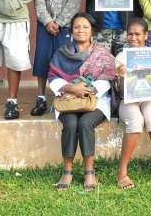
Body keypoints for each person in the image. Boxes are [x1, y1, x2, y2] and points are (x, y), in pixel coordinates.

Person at [48, 13, 116, 191]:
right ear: (71, 30)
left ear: (92, 30)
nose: (81, 30)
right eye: (77, 27)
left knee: (85, 123)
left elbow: (107, 79)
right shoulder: (62, 53)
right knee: (70, 123)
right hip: (68, 99)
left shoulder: (101, 52)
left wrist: (85, 91)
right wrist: (72, 89)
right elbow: (53, 78)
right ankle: (67, 171)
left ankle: (89, 172)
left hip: (95, 100)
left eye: (85, 27)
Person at [31, 0, 84, 116]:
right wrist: (47, 20)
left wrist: (60, 22)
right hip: (44, 23)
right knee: (42, 59)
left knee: (63, 61)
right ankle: (41, 98)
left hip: (66, 25)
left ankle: (61, 96)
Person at [115, 18, 151, 189]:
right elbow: (119, 90)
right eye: (130, 34)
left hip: (148, 98)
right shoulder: (121, 56)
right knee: (136, 121)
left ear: (146, 35)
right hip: (128, 99)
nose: (133, 38)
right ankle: (122, 170)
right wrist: (120, 75)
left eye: (137, 34)